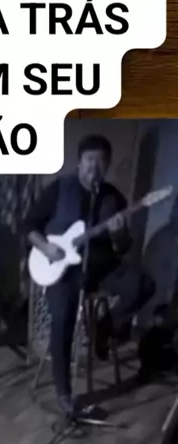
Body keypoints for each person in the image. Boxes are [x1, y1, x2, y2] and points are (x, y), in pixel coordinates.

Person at [27, 134, 155, 420]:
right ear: (79, 162)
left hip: (102, 266)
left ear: (107, 165)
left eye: (100, 160)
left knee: (143, 285)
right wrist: (46, 247)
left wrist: (118, 234)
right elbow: (29, 225)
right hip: (64, 268)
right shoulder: (60, 188)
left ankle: (104, 327)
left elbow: (123, 247)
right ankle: (64, 392)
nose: (94, 166)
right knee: (62, 318)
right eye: (89, 159)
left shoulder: (113, 197)